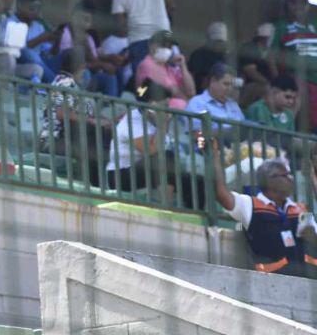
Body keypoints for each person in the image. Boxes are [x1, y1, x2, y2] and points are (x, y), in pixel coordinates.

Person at [211, 137, 317, 277]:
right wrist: (213, 155)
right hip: (271, 283)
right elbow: (220, 193)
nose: (291, 179)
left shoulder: (301, 209)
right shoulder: (251, 205)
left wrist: (312, 237)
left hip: (309, 281)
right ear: (270, 181)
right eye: (285, 175)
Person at [106, 80, 205, 210]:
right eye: (163, 105)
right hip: (120, 176)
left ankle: (195, 218)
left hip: (149, 171)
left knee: (197, 181)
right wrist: (163, 125)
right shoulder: (133, 120)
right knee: (165, 157)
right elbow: (152, 151)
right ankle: (166, 209)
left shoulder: (153, 122)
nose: (166, 109)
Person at [40, 48, 112, 186]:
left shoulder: (71, 85)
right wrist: (92, 120)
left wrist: (108, 121)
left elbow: (89, 115)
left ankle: (97, 185)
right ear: (80, 67)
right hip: (53, 140)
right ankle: (97, 186)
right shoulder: (65, 83)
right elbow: (62, 113)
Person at [50, 0, 120, 97]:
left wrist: (87, 47)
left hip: (87, 74)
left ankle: (110, 107)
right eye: (79, 18)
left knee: (109, 78)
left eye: (87, 20)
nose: (82, 23)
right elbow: (68, 61)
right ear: (73, 16)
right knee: (85, 72)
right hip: (67, 73)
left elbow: (94, 61)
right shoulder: (65, 32)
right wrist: (100, 65)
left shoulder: (90, 37)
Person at [272, 0, 317, 129]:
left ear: (308, 6)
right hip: (297, 79)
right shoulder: (281, 26)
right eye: (295, 2)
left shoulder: (314, 26)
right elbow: (271, 57)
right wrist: (278, 82)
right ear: (289, 5)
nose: (299, 6)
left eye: (303, 3)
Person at [111, 0, 173, 75]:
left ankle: (142, 89)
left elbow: (120, 22)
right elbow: (171, 5)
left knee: (142, 78)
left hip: (138, 39)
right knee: (162, 75)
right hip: (163, 37)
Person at [187, 62, 247, 135]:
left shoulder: (233, 104)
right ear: (213, 81)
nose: (230, 89)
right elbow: (196, 135)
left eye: (231, 85)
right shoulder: (197, 103)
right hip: (211, 145)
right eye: (226, 84)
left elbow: (244, 129)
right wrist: (226, 133)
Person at [9, 0, 55, 82]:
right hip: (19, 64)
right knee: (29, 53)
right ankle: (56, 84)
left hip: (40, 63)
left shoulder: (39, 26)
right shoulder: (11, 22)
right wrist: (41, 38)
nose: (36, 12)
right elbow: (18, 50)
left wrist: (57, 41)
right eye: (32, 8)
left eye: (38, 8)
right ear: (20, 6)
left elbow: (48, 53)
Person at [135, 30, 195, 102]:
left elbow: (191, 92)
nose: (167, 49)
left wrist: (183, 67)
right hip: (152, 108)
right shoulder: (147, 64)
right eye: (164, 45)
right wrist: (187, 102)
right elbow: (172, 91)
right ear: (152, 45)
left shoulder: (170, 68)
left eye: (169, 47)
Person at [239, 22, 278, 109]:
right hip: (246, 86)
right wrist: (269, 84)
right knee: (265, 89)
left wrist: (272, 63)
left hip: (267, 87)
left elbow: (275, 77)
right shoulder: (249, 48)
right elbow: (251, 73)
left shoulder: (268, 52)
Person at [188, 22, 229, 94]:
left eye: (220, 42)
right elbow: (192, 76)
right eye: (216, 41)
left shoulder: (226, 55)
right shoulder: (199, 54)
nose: (218, 44)